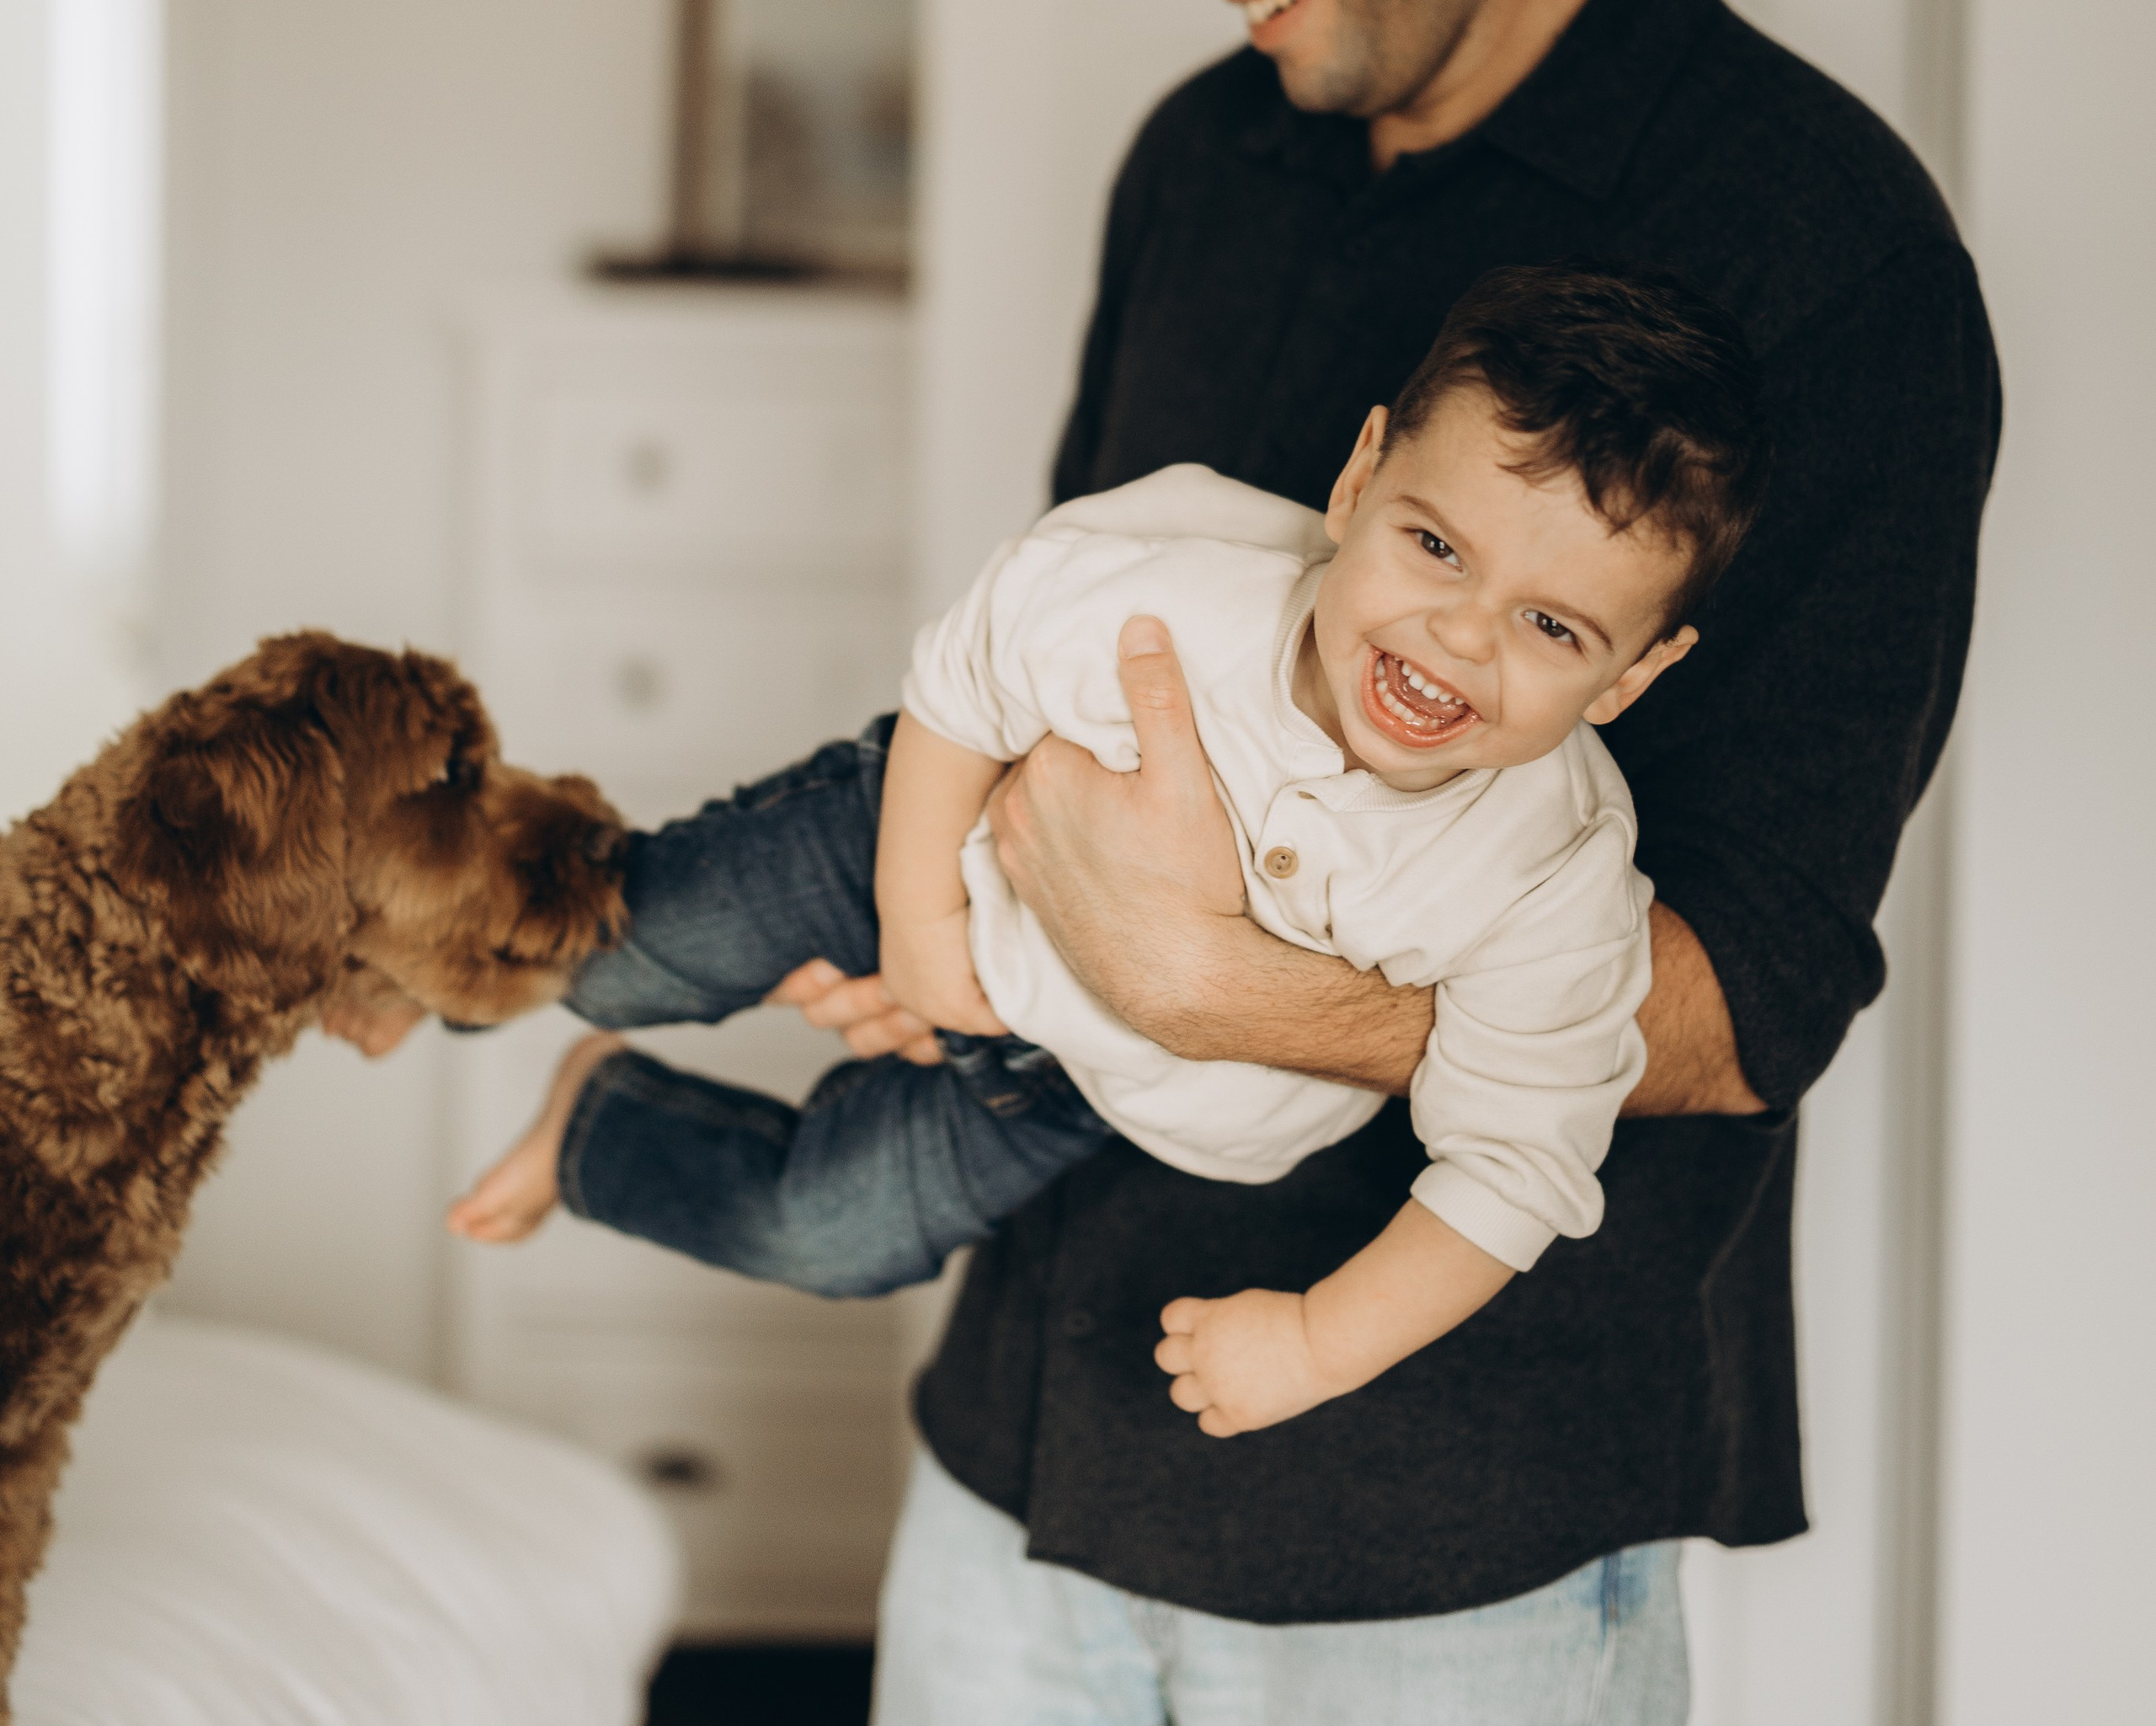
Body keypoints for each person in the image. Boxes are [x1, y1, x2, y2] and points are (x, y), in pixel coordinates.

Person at [793, 0, 1998, 1726]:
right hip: (1028, 1453)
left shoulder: (1828, 250)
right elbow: (1057, 660)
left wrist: (1239, 993)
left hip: (1463, 1520)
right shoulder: (1200, 171)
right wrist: (944, 913)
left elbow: (1756, 986)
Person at [448, 265, 1766, 1438]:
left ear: (1631, 678)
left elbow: (1517, 1166)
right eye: (1434, 546)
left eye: (1552, 626)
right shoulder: (1176, 591)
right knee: (630, 954)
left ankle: (597, 1131)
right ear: (1358, 480)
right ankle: (395, 933)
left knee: (829, 1234)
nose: (1458, 638)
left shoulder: (1556, 881)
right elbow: (964, 682)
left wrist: (1316, 1343)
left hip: (1075, 1084)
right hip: (935, 820)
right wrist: (916, 915)